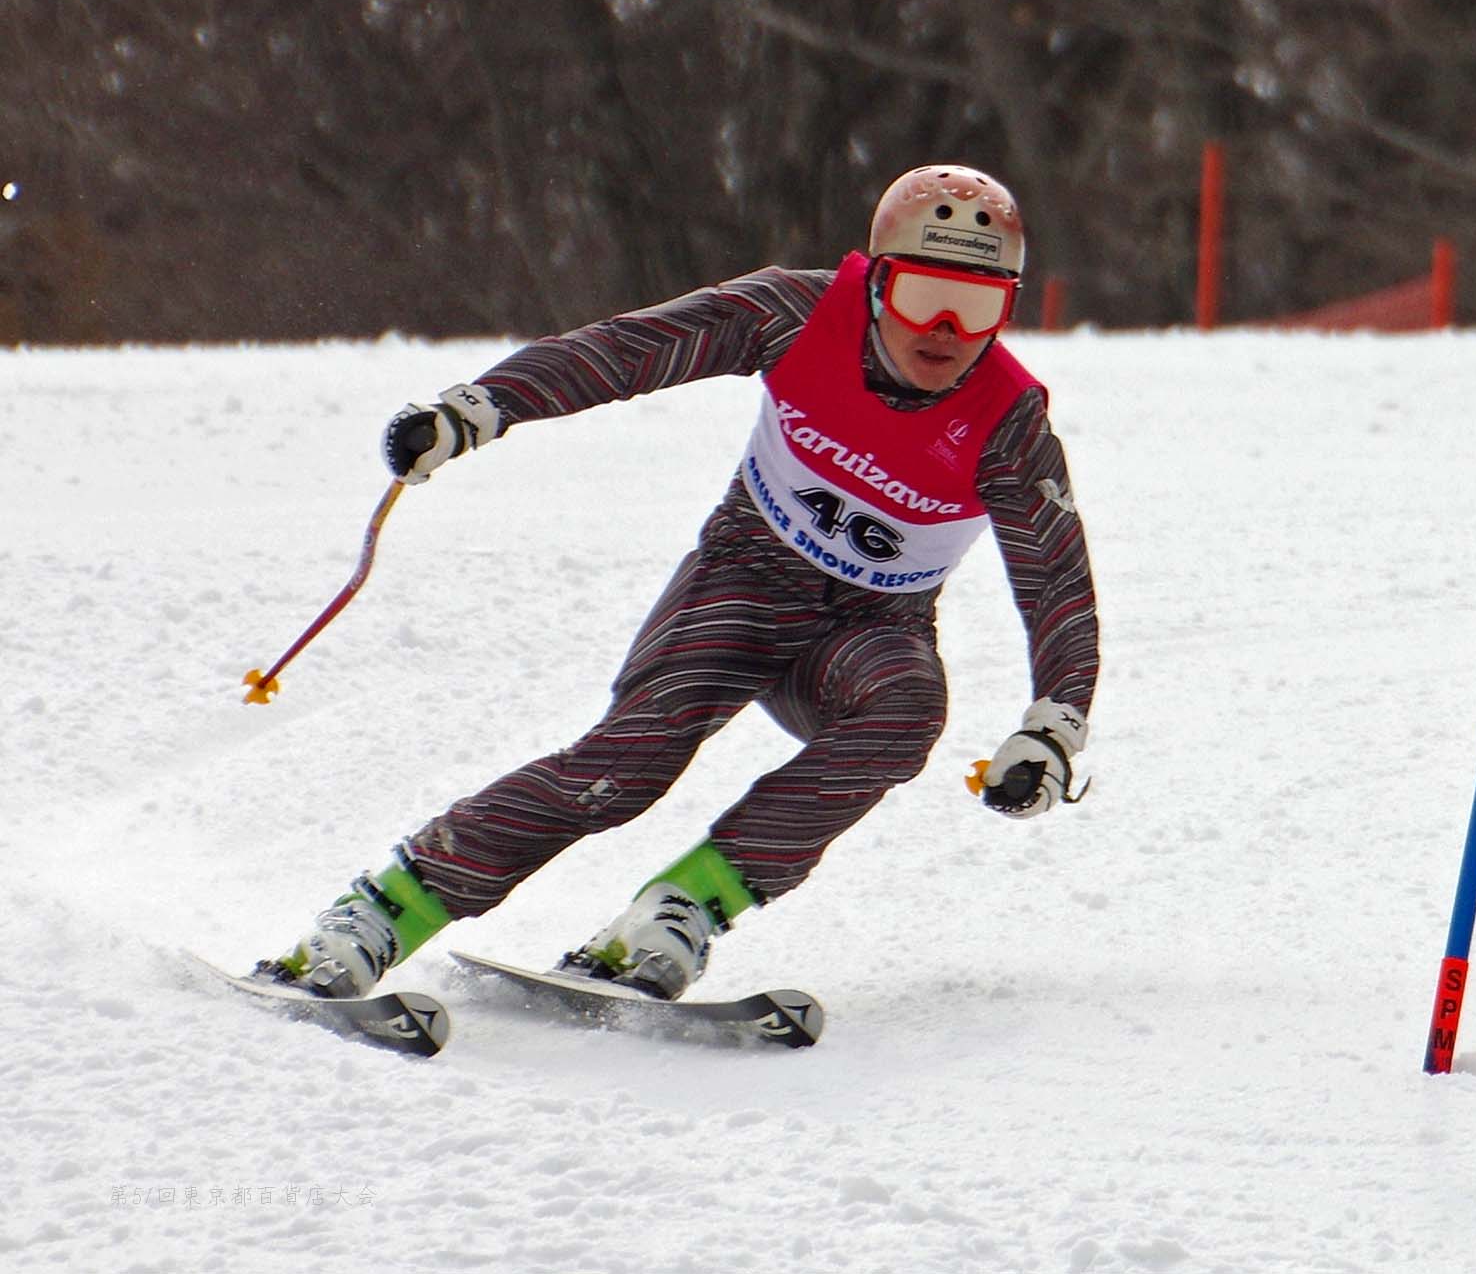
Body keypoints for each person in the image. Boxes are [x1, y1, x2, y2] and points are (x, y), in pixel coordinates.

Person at [257, 164, 1100, 1002]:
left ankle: (680, 910)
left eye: (979, 305)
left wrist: (1053, 727)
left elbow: (1056, 575)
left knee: (907, 710)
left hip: (871, 627)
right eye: (923, 296)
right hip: (743, 582)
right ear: (878, 282)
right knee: (627, 767)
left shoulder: (1007, 421)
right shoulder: (798, 315)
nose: (947, 330)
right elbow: (630, 349)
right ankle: (379, 912)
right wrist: (481, 406)